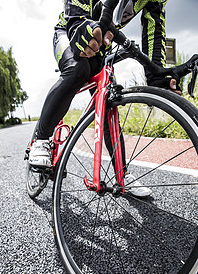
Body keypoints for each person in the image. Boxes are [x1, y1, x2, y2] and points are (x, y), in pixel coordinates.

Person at [29, 0, 181, 197]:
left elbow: (154, 30)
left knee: (109, 99)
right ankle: (40, 139)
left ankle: (122, 173)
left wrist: (156, 74)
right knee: (78, 69)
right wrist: (77, 23)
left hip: (104, 39)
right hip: (69, 28)